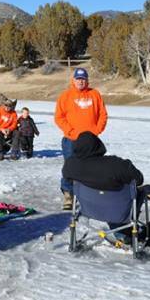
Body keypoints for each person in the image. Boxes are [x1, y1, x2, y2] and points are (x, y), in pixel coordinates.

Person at [54, 68, 108, 209]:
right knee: (70, 167)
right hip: (71, 139)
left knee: (92, 166)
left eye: (83, 79)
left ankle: (90, 195)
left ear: (87, 80)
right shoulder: (66, 96)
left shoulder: (94, 94)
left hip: (91, 140)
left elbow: (103, 114)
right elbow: (59, 117)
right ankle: (68, 195)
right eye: (78, 79)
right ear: (73, 80)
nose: (80, 81)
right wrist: (70, 131)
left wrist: (96, 130)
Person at [61, 131, 144, 212]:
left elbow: (67, 179)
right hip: (118, 210)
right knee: (139, 192)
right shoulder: (116, 164)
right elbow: (139, 179)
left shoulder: (71, 165)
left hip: (88, 210)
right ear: (99, 145)